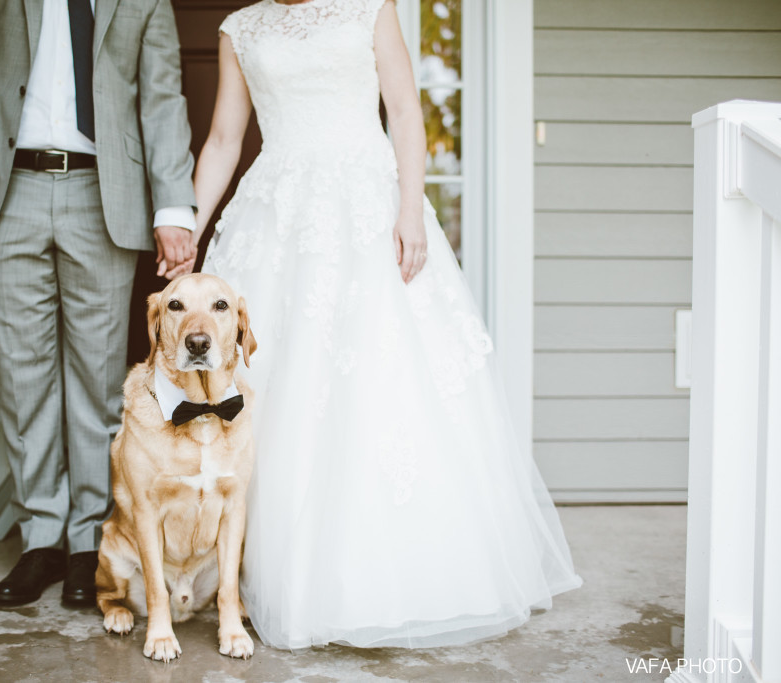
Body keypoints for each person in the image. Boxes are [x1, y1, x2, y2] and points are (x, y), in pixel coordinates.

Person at [185, 0, 583, 649]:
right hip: (278, 212)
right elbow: (226, 139)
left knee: (380, 377)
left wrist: (410, 209)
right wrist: (192, 235)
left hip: (366, 205)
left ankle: (374, 576)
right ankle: (269, 575)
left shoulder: (370, 7)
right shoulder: (240, 28)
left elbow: (403, 111)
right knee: (274, 393)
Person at [0, 0, 197, 607]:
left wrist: (173, 209)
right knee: (22, 374)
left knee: (99, 380)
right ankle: (42, 538)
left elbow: (161, 97)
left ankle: (89, 542)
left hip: (102, 192)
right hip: (6, 189)